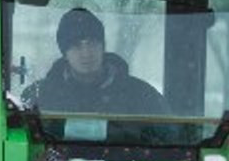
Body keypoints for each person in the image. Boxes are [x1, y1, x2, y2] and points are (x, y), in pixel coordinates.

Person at [37, 8, 168, 119]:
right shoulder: (40, 96)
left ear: (103, 47)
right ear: (64, 52)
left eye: (93, 43)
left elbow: (167, 136)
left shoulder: (141, 96)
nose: (86, 53)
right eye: (76, 46)